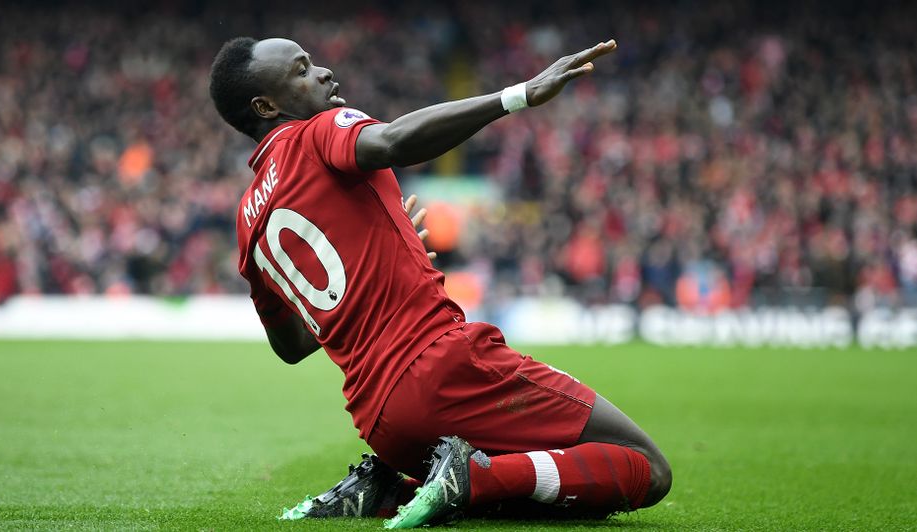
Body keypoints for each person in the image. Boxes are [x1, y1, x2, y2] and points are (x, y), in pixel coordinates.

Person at [208, 35, 671, 528]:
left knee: (543, 482)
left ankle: (391, 489)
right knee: (644, 466)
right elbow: (394, 142)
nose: (322, 72)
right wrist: (518, 94)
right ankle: (473, 477)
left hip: (382, 422)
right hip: (441, 366)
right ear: (266, 105)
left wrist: (385, 259)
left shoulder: (246, 221)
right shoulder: (316, 133)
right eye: (301, 70)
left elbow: (293, 345)